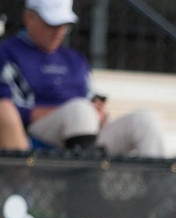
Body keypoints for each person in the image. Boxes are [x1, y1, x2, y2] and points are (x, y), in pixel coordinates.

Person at [0, 0, 164, 156]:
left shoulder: (75, 58)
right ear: (29, 18)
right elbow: (7, 111)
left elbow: (92, 100)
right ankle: (86, 184)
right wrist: (74, 110)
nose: (59, 32)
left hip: (84, 135)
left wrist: (99, 113)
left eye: (64, 25)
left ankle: (161, 185)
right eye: (51, 24)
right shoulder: (7, 52)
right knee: (80, 111)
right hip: (36, 135)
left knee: (145, 120)